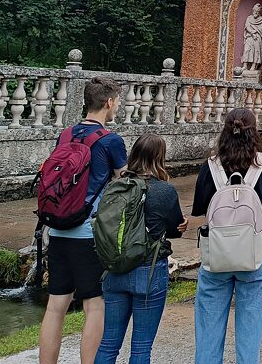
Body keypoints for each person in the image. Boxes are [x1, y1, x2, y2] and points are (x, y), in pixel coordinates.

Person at [192, 109, 262, 364]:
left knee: (208, 335)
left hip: (217, 255)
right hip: (255, 254)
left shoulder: (210, 166)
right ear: (255, 134)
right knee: (250, 337)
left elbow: (199, 208)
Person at [40, 77, 127, 364]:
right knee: (95, 305)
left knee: (55, 306)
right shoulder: (111, 140)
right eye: (117, 102)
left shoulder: (65, 135)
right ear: (109, 102)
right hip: (88, 233)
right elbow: (124, 184)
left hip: (57, 228)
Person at [96, 134, 187, 364]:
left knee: (108, 344)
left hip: (115, 269)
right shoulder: (164, 191)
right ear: (160, 157)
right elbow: (174, 229)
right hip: (148, 270)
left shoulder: (115, 186)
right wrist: (182, 226)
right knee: (141, 348)